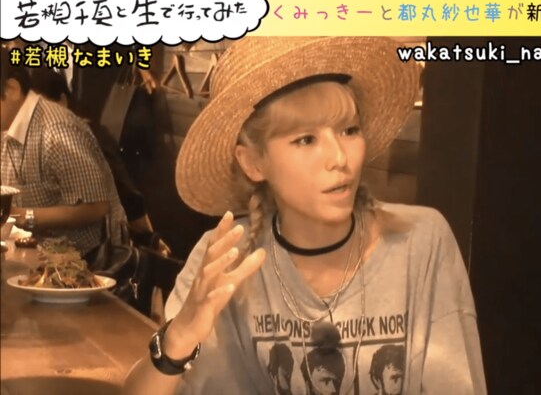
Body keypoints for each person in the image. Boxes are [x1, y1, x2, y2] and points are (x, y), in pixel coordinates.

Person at [123, 36, 486, 395]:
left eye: (349, 130)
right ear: (253, 162)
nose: (339, 158)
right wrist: (180, 337)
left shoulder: (421, 241)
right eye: (305, 140)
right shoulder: (225, 257)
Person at [27, 67, 171, 256]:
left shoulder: (84, 134)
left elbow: (126, 193)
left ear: (62, 100)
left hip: (95, 252)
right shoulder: (30, 140)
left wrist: (152, 240)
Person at [0, 46, 126, 256]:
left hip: (87, 260)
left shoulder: (56, 129)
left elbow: (96, 207)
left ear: (11, 89)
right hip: (36, 255)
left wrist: (20, 215)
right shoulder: (7, 128)